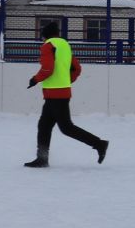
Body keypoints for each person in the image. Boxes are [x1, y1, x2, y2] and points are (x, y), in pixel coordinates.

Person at [26, 20, 108, 168]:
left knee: (66, 128)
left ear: (45, 35)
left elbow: (47, 69)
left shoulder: (48, 46)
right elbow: (76, 68)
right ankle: (42, 158)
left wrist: (35, 79)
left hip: (55, 94)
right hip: (60, 92)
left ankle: (99, 144)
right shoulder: (64, 45)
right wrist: (65, 81)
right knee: (44, 125)